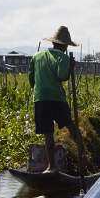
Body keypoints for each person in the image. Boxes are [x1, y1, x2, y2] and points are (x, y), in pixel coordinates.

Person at [29, 26, 83, 173]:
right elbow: (62, 76)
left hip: (40, 99)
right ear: (65, 46)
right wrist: (70, 67)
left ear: (53, 43)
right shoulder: (63, 57)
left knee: (48, 133)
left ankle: (51, 166)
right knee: (70, 125)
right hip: (57, 98)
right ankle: (83, 156)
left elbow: (31, 80)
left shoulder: (37, 56)